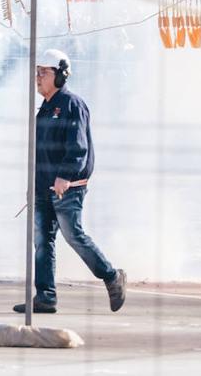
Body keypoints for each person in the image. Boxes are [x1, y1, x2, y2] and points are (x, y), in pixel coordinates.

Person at [14, 48, 126, 315]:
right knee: (42, 241)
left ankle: (111, 276)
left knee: (72, 235)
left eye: (44, 72)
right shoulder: (44, 109)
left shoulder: (71, 104)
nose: (38, 77)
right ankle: (45, 297)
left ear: (61, 75)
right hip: (43, 187)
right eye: (36, 71)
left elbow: (79, 148)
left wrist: (64, 176)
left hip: (67, 187)